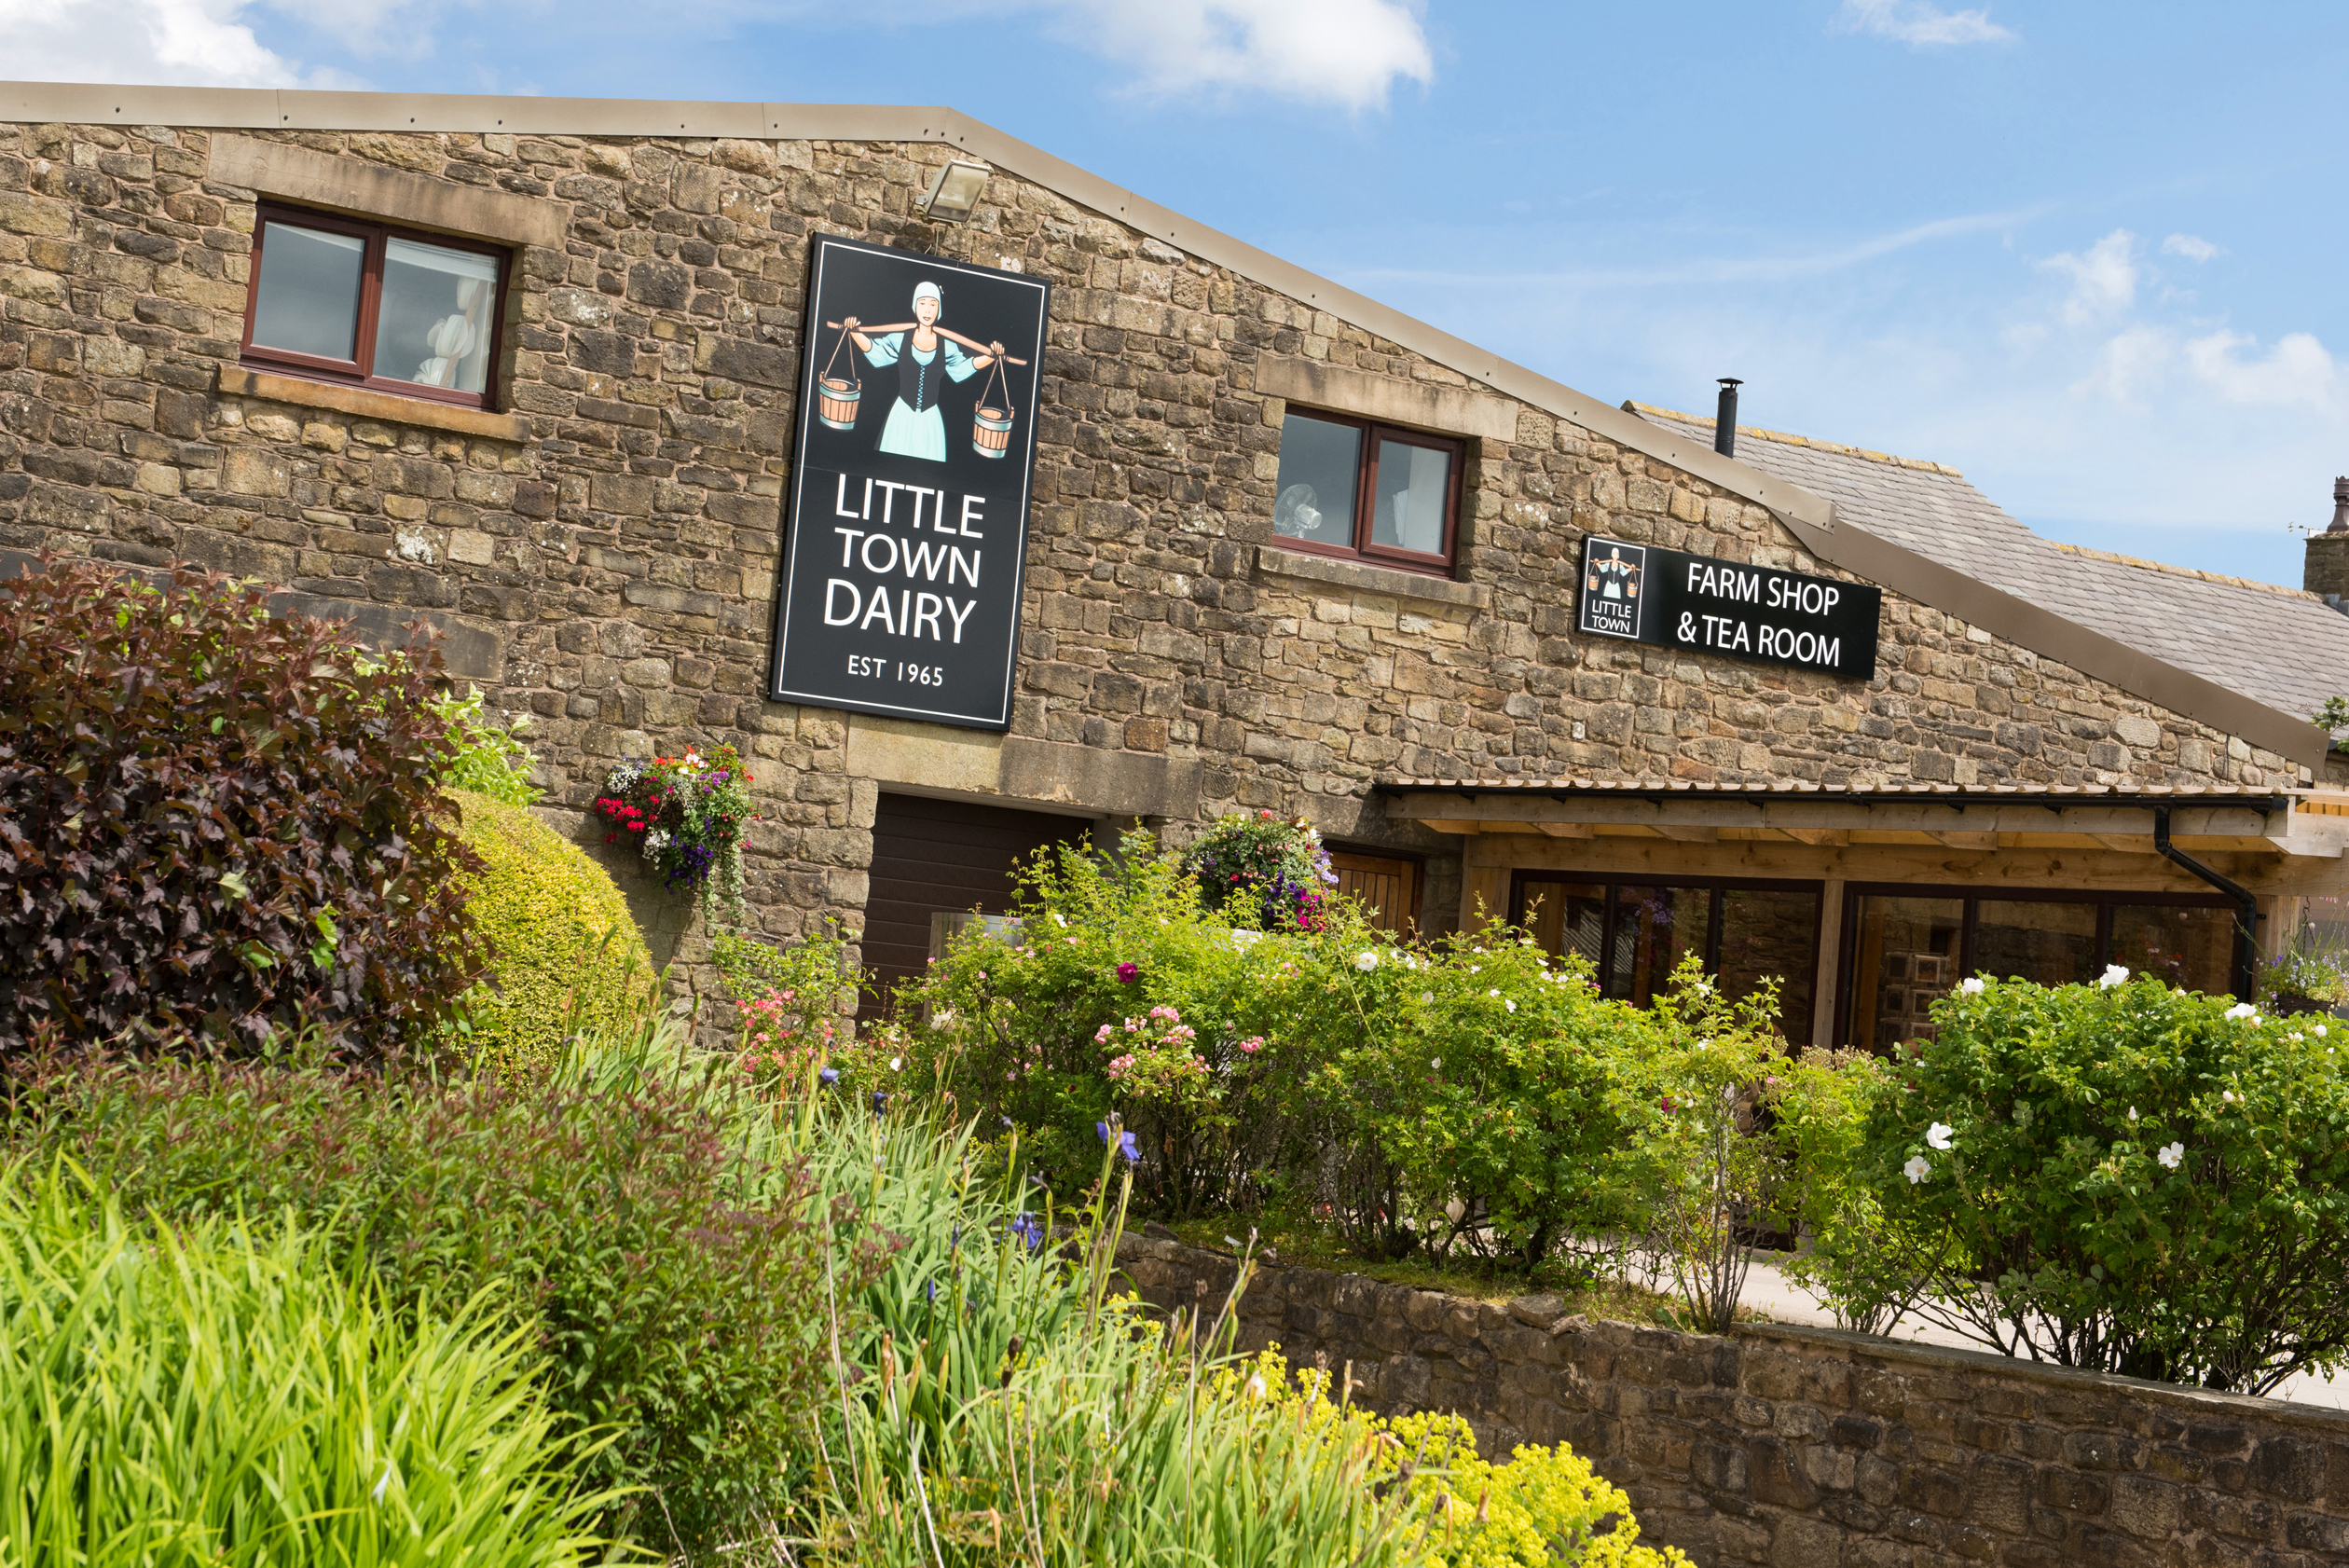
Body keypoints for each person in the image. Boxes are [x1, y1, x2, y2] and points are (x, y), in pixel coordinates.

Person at [841, 282, 1001, 462]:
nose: (927, 310)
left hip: (930, 420)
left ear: (939, 309)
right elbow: (876, 351)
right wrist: (854, 333)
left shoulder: (947, 346)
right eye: (922, 303)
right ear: (915, 306)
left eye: (933, 304)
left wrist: (992, 357)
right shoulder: (900, 339)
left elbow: (963, 367)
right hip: (901, 416)